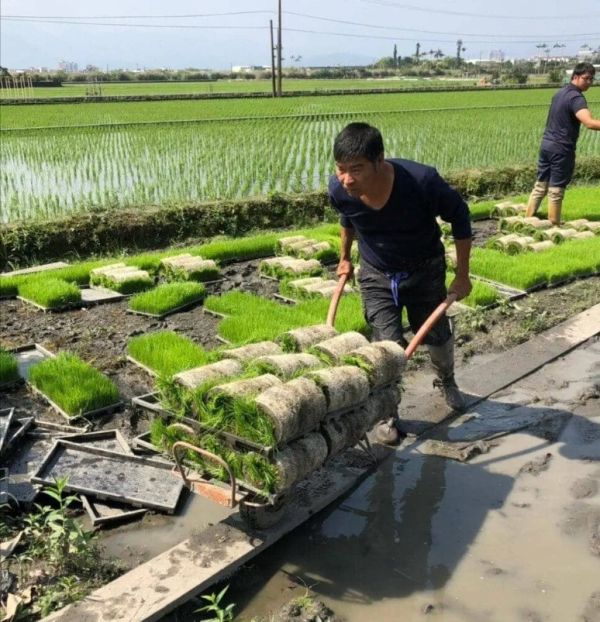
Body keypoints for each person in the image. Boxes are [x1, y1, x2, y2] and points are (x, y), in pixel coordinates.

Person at [328, 122, 473, 445]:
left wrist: (462, 275)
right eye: (340, 169)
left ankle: (447, 379)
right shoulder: (340, 189)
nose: (347, 179)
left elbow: (461, 217)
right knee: (386, 346)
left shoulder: (421, 181)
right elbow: (347, 219)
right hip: (377, 274)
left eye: (356, 169)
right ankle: (387, 411)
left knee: (434, 333)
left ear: (380, 160)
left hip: (424, 269)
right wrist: (345, 257)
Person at [526, 62, 600, 224]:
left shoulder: (559, 93)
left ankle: (527, 220)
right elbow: (589, 123)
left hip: (547, 145)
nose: (589, 82)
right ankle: (554, 227)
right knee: (556, 190)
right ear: (575, 77)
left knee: (540, 185)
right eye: (586, 78)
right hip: (561, 148)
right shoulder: (576, 98)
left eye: (591, 79)